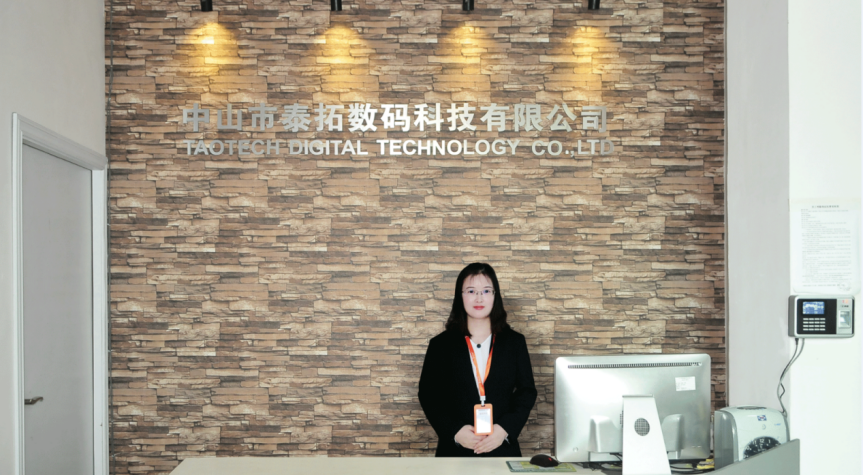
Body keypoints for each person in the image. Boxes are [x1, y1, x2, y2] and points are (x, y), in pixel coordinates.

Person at [418, 262, 537, 457]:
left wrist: (504, 430)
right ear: (460, 296)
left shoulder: (514, 342)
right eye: (471, 291)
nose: (479, 298)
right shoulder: (440, 345)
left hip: (501, 449)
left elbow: (527, 391)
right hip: (455, 452)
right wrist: (455, 431)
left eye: (486, 291)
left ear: (495, 295)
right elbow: (428, 395)